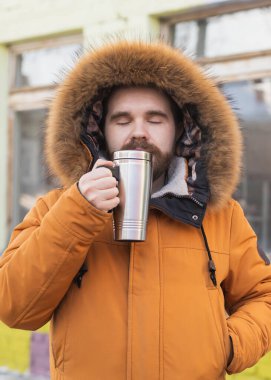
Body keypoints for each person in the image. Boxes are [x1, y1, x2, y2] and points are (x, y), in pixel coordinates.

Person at [0, 39, 271, 380]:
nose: (138, 133)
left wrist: (229, 345)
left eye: (155, 119)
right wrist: (78, 210)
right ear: (101, 130)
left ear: (180, 130)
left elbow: (264, 296)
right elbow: (14, 308)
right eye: (123, 120)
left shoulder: (220, 215)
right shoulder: (58, 208)